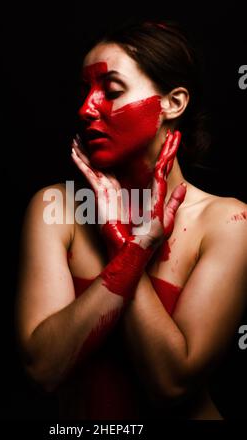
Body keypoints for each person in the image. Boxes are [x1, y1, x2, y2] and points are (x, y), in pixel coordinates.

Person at [15, 20, 247, 420]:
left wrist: (124, 243)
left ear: (173, 103)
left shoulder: (229, 221)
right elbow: (43, 370)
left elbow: (171, 384)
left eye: (111, 90)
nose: (86, 109)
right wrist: (136, 251)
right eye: (85, 91)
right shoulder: (55, 209)